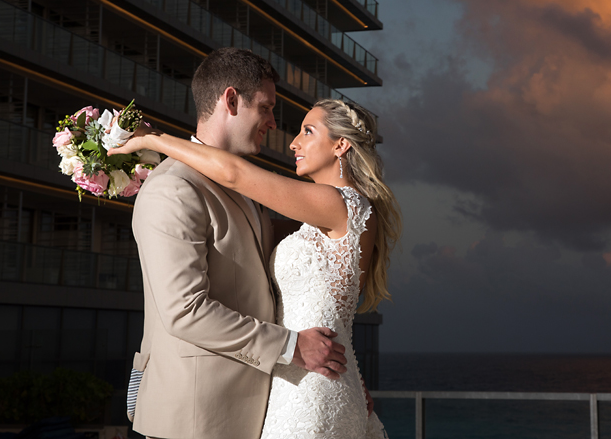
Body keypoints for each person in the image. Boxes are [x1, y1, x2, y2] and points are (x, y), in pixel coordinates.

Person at [112, 91, 400, 439]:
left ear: (340, 146)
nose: (293, 143)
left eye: (308, 131)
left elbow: (233, 174)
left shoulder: (337, 203)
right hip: (308, 374)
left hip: (309, 385)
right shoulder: (322, 217)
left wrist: (150, 139)